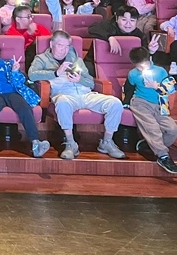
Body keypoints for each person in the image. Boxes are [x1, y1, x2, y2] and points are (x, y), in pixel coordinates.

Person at [28, 31, 127, 160]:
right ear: (52, 44)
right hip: (65, 95)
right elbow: (32, 75)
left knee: (115, 103)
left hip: (85, 94)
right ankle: (71, 143)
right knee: (62, 103)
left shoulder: (77, 60)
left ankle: (107, 142)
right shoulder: (42, 59)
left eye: (67, 46)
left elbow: (91, 82)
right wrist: (56, 73)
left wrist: (79, 79)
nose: (64, 50)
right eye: (60, 45)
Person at [0, 40, 50, 158]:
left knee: (24, 108)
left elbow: (19, 82)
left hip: (11, 92)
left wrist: (14, 71)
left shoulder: (7, 64)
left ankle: (36, 143)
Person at [127, 47, 177, 174]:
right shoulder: (133, 74)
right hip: (140, 103)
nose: (142, 68)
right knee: (152, 128)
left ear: (149, 60)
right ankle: (163, 156)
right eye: (139, 66)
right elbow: (129, 89)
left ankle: (149, 144)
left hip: (159, 104)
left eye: (144, 65)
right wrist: (125, 103)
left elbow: (172, 89)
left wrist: (157, 86)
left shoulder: (160, 71)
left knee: (172, 129)